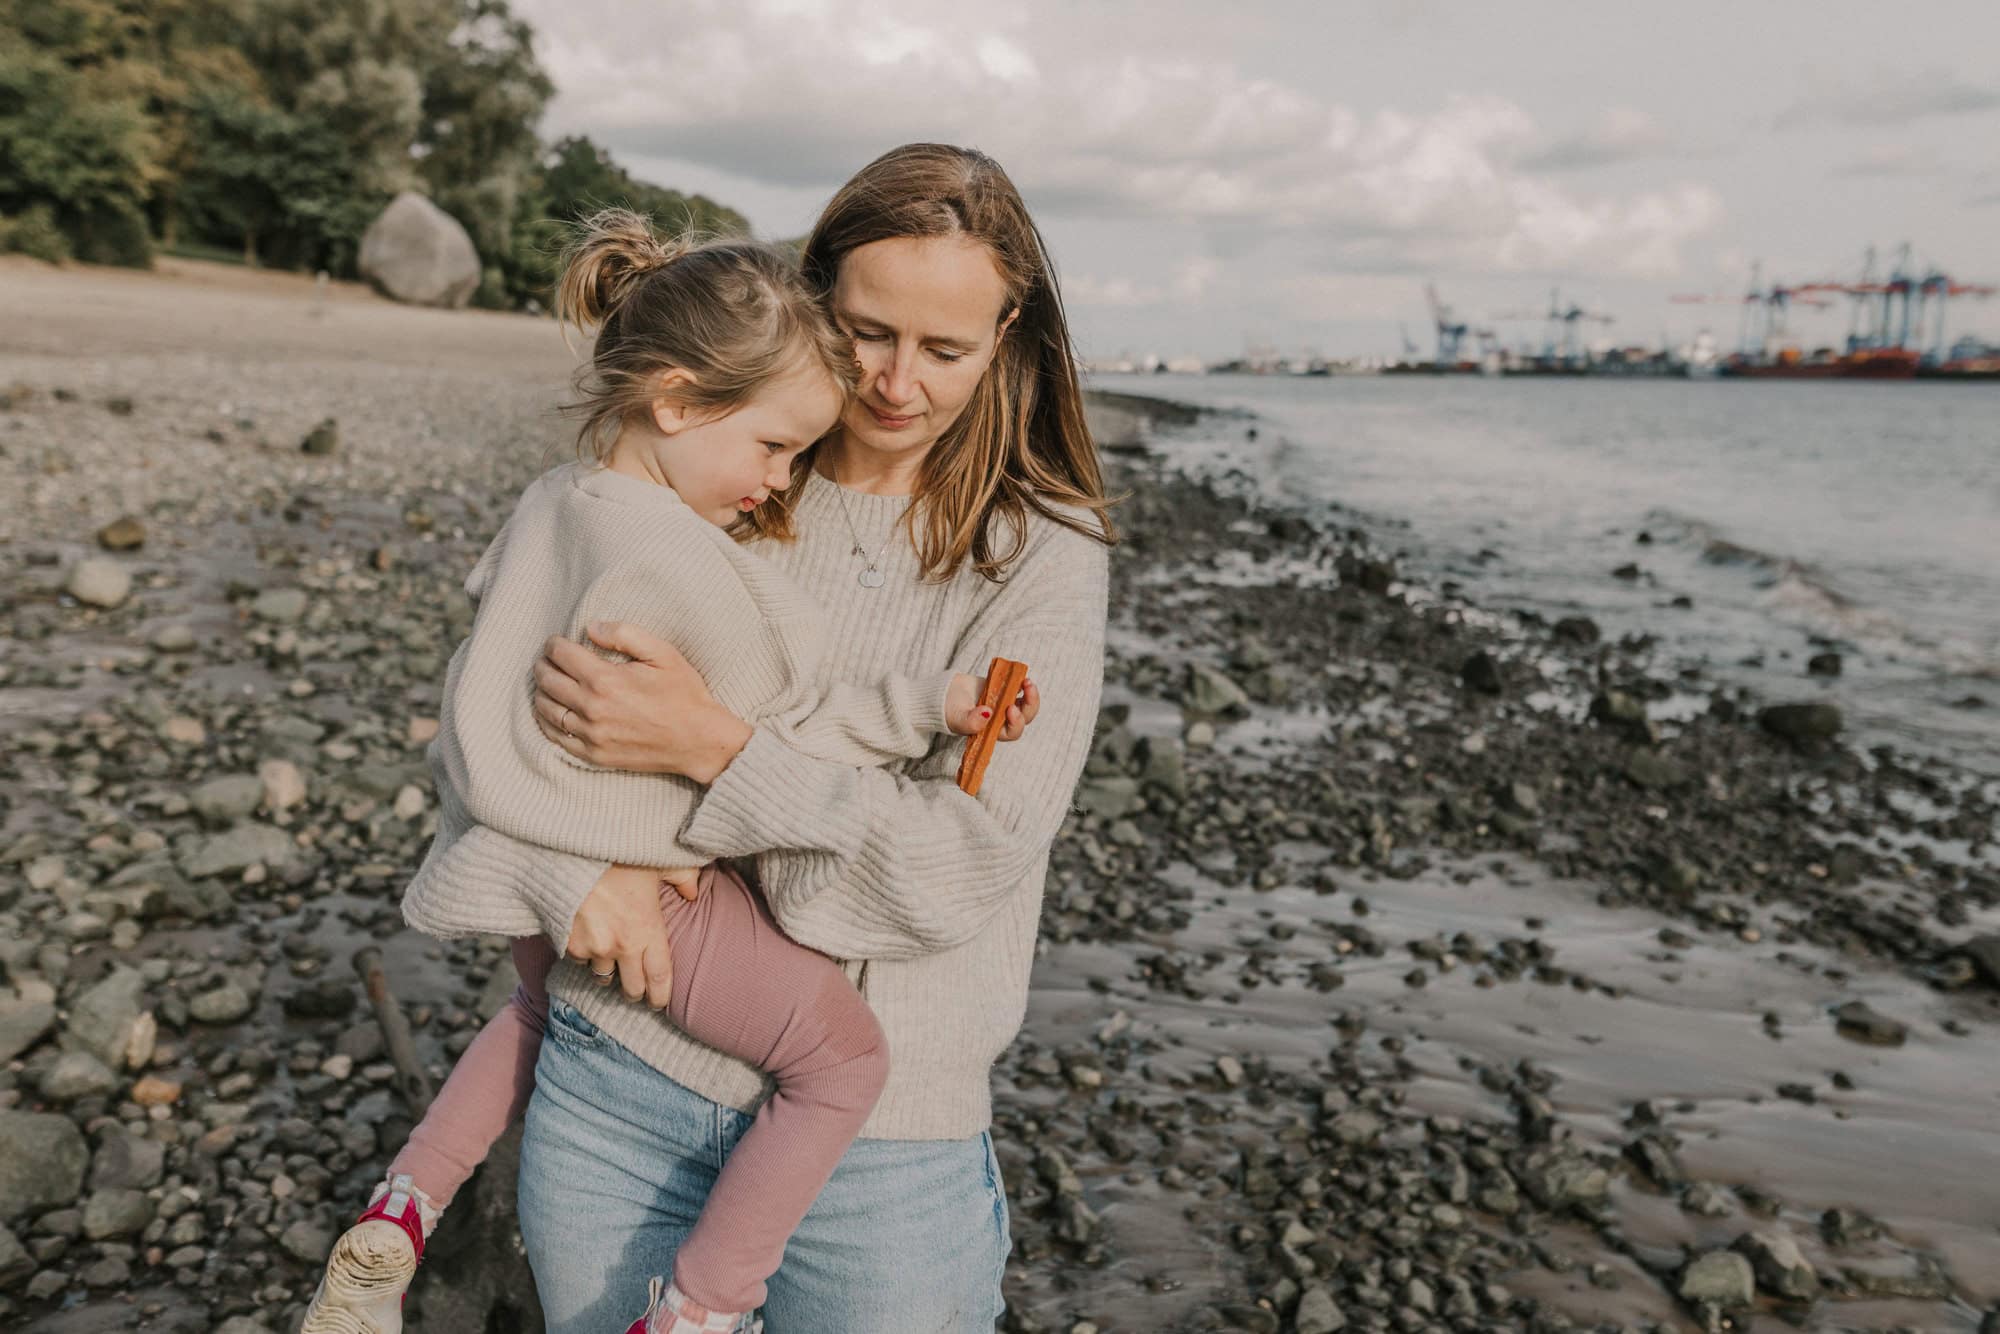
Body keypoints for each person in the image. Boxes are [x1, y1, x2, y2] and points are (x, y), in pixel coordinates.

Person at [299, 210, 1031, 1334]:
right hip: (653, 899)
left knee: (534, 1006)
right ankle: (700, 1305)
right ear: (679, 401)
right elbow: (776, 722)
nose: (779, 480)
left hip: (534, 881)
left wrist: (548, 860)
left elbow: (473, 691)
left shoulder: (553, 504)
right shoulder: (677, 557)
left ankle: (402, 1207)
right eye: (774, 447)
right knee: (841, 1059)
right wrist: (920, 704)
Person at [468, 142, 1113, 1333]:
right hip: (618, 1075)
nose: (895, 384)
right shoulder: (716, 465)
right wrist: (572, 870)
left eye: (945, 349)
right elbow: (502, 712)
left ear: (1010, 335)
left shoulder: (1042, 557)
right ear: (814, 296)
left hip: (885, 1145)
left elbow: (949, 867)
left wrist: (716, 746)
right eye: (867, 330)